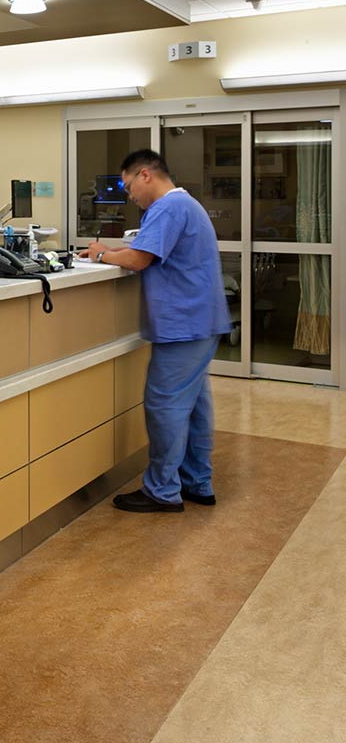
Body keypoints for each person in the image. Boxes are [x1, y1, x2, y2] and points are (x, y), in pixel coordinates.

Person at [79, 149, 230, 513]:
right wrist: (117, 251)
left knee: (165, 407)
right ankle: (197, 482)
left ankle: (162, 490)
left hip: (184, 325)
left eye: (129, 186)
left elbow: (138, 259)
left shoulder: (166, 207)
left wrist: (101, 253)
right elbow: (145, 251)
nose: (130, 195)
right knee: (193, 407)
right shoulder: (184, 205)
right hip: (200, 321)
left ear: (145, 175)